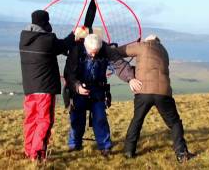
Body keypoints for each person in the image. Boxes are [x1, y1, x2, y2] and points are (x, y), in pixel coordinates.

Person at [116, 35, 195, 163]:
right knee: (174, 123)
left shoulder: (142, 46)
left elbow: (119, 52)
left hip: (143, 91)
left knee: (137, 120)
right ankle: (181, 153)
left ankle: (129, 152)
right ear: (158, 41)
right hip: (163, 92)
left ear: (148, 40)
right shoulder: (164, 51)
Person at [64, 34, 142, 156]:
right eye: (91, 52)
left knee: (100, 118)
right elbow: (69, 73)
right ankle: (74, 145)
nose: (94, 55)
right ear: (85, 46)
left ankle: (105, 147)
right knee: (77, 118)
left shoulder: (106, 50)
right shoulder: (76, 50)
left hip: (98, 90)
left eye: (96, 52)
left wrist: (130, 78)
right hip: (79, 90)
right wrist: (77, 87)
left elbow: (119, 65)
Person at [19, 10, 77, 161]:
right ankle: (37, 154)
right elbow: (64, 45)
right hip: (44, 88)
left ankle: (29, 150)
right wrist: (74, 33)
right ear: (45, 22)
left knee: (31, 120)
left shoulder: (24, 38)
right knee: (45, 120)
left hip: (29, 88)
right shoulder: (48, 39)